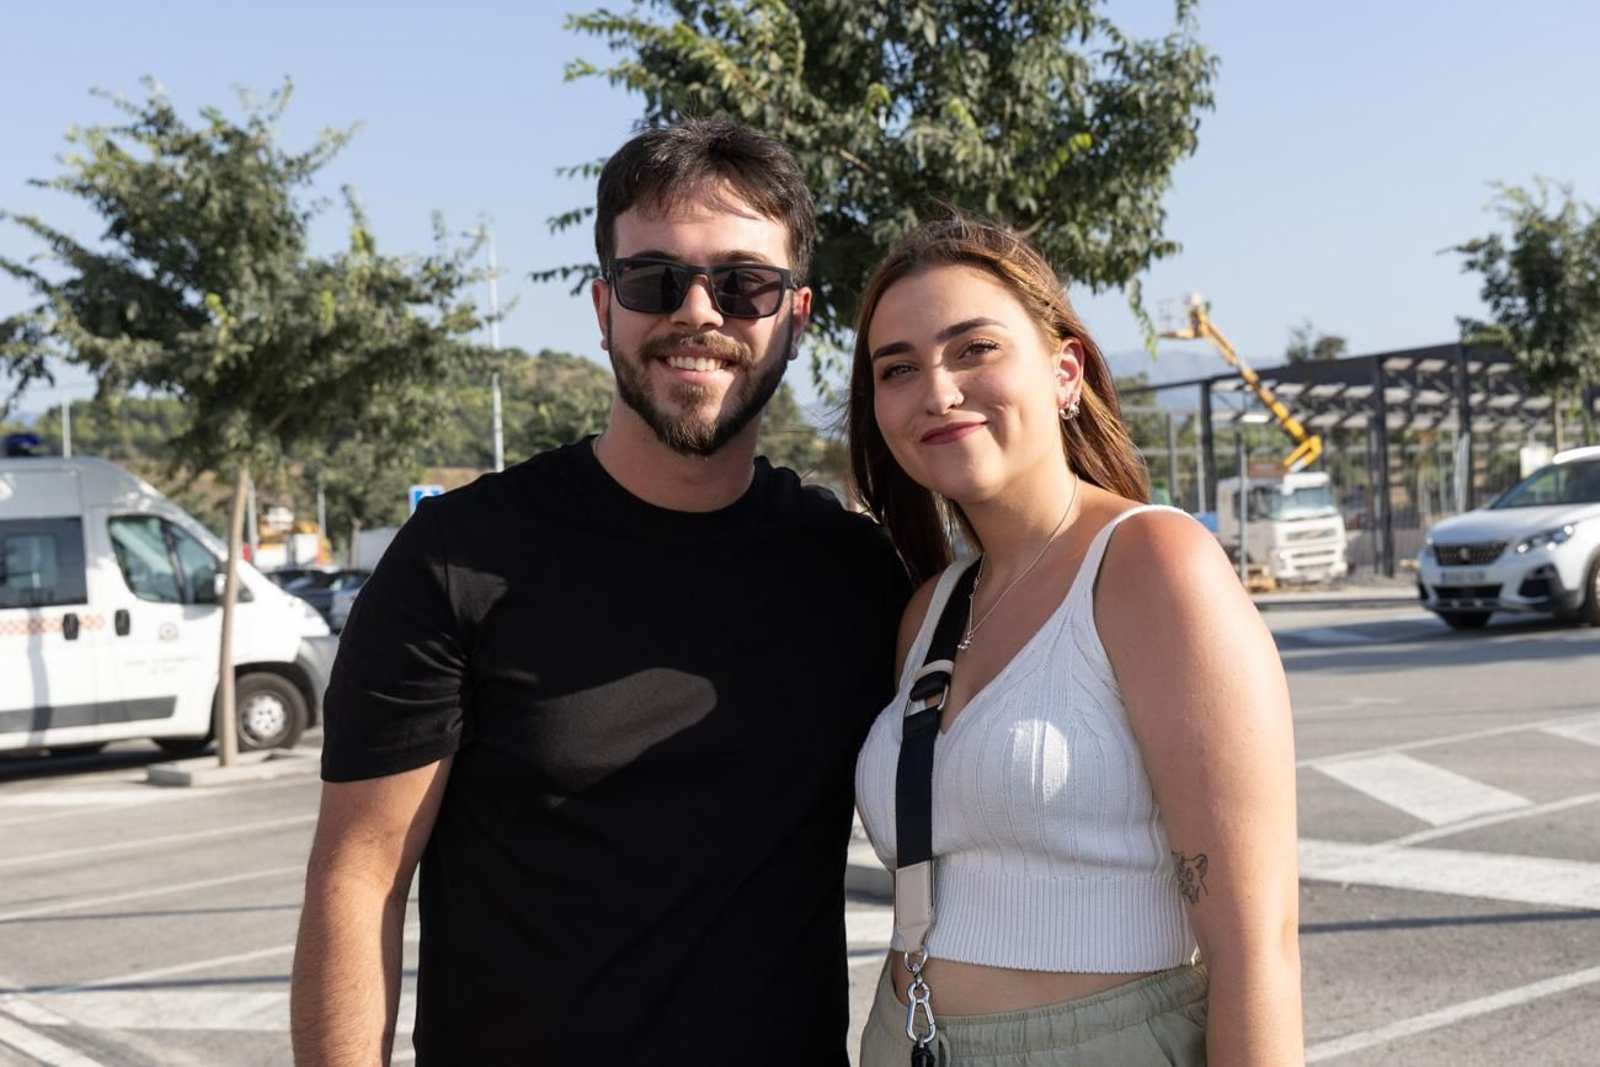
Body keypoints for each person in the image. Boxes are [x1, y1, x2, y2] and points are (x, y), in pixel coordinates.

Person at [290, 118, 910, 1066]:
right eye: (654, 280)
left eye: (743, 282)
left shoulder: (853, 571)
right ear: (602, 306)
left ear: (796, 313)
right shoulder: (455, 558)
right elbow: (358, 878)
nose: (697, 313)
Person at [847, 216, 1303, 1065]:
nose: (938, 390)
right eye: (898, 368)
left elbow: (1258, 948)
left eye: (973, 348)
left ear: (1065, 371)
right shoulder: (929, 612)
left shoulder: (1152, 565)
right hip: (903, 1041)